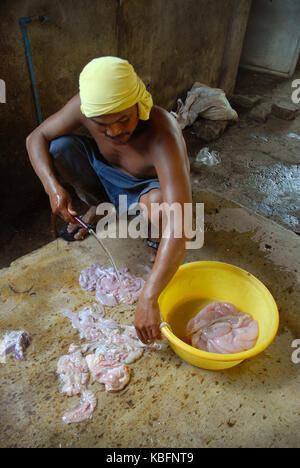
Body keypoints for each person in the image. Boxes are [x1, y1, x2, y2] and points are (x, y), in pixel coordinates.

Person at [26, 56, 192, 344]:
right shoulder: (85, 106)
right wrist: (53, 188)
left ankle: (153, 238)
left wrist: (149, 296)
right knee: (60, 147)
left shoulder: (162, 131)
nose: (114, 131)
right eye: (101, 125)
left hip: (148, 188)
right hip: (108, 176)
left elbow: (183, 224)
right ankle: (101, 206)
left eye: (123, 119)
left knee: (160, 206)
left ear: (138, 104)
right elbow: (36, 137)